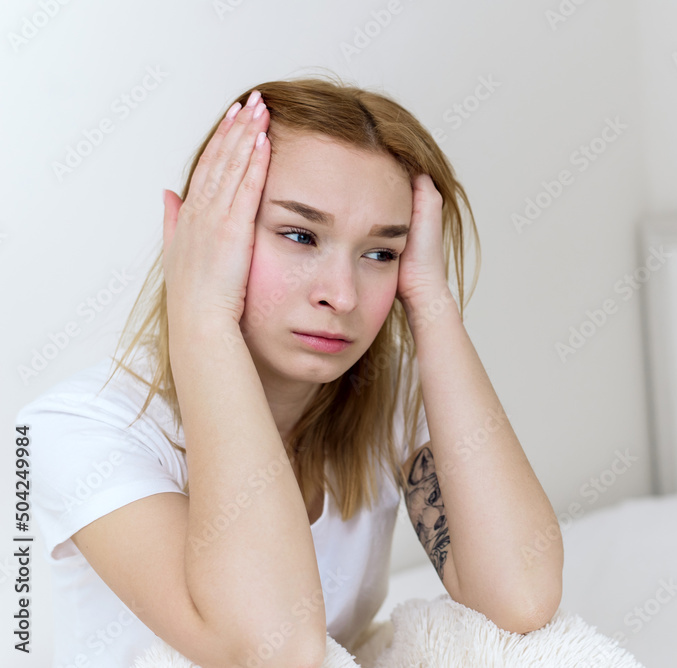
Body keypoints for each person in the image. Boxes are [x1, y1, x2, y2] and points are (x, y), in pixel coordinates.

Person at [16, 74, 564, 668]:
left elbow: (520, 599)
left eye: (381, 252)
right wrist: (200, 315)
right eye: (300, 235)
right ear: (203, 231)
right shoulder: (76, 427)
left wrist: (431, 301)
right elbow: (269, 652)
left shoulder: (388, 396)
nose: (343, 295)